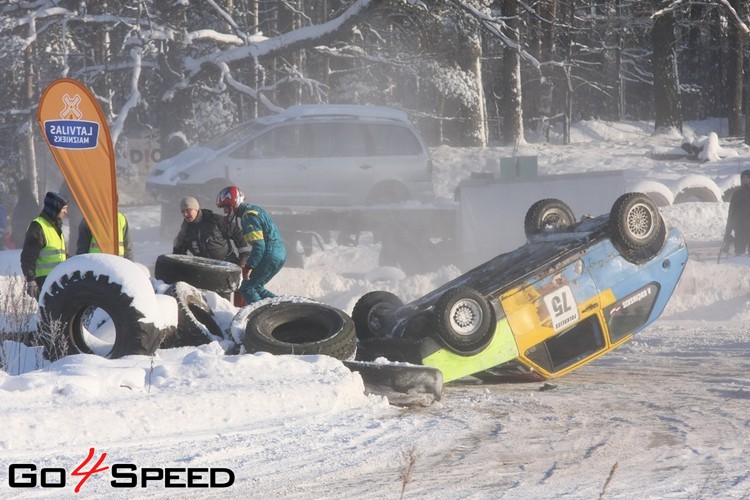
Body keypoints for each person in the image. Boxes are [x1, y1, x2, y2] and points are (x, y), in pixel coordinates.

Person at [216, 186, 286, 304]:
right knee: (256, 287)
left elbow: (260, 246)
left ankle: (261, 316)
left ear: (234, 203)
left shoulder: (248, 216)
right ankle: (283, 306)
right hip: (279, 252)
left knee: (246, 288)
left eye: (226, 208)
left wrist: (248, 266)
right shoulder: (254, 209)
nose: (225, 212)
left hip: (271, 252)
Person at [172, 195, 249, 264]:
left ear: (196, 209)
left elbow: (237, 233)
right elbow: (178, 253)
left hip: (227, 264)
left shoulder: (214, 220)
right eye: (183, 212)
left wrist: (243, 258)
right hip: (205, 270)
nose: (185, 214)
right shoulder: (185, 231)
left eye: (188, 210)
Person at [20, 191, 69, 298]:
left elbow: (61, 255)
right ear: (55, 208)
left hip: (59, 280)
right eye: (64, 208)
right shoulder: (38, 227)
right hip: (44, 282)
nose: (66, 212)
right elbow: (28, 257)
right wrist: (31, 280)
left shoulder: (56, 227)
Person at [724, 169, 750, 256]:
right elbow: (731, 213)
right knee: (739, 254)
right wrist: (728, 232)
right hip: (740, 228)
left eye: (748, 177)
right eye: (744, 178)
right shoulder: (737, 194)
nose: (746, 179)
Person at [11, 179, 41, 250]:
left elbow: (28, 220)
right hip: (23, 237)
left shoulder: (27, 202)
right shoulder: (25, 200)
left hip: (25, 238)